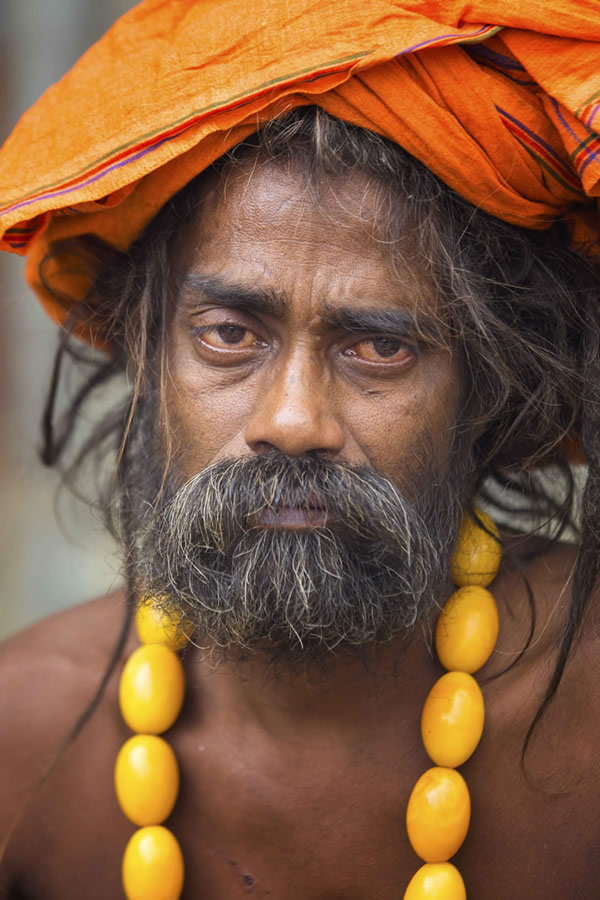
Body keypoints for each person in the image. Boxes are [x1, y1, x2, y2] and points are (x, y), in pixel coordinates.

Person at [1, 1, 600, 898]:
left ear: (488, 385)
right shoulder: (24, 731)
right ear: (142, 346)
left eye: (379, 347)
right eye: (230, 335)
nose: (290, 419)